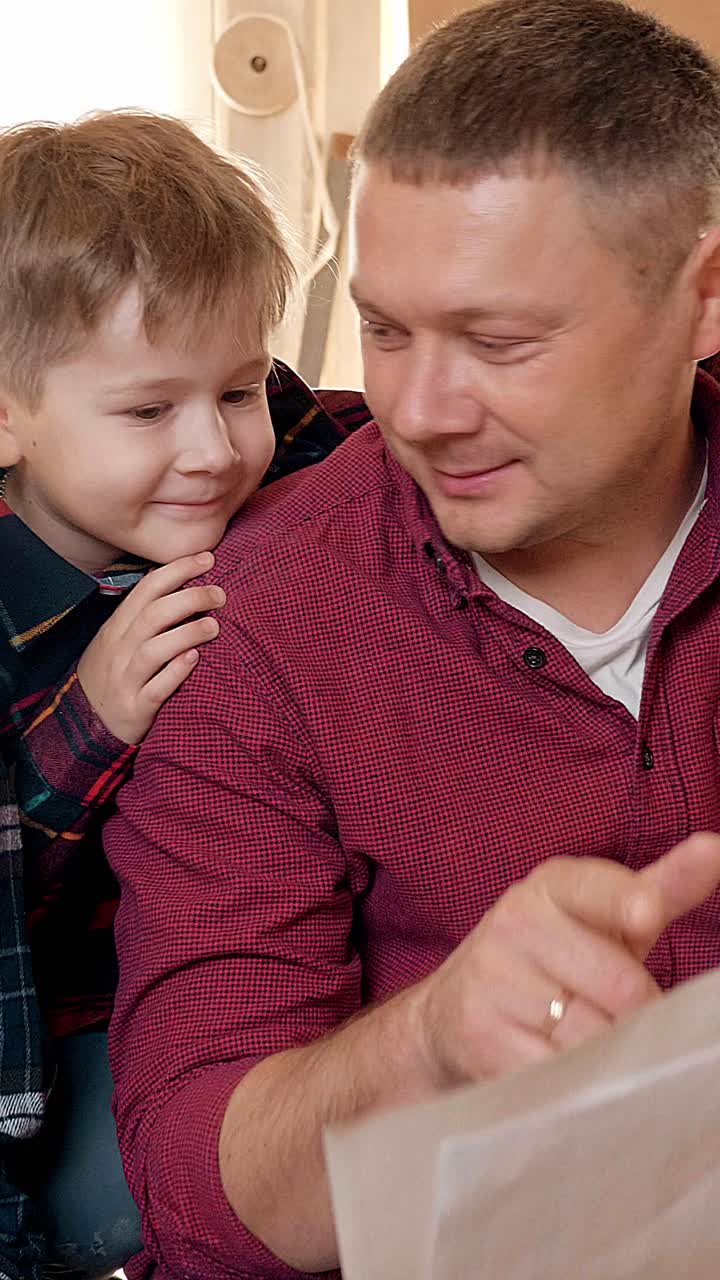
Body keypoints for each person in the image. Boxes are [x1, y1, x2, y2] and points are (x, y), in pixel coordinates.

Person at [106, 3, 720, 1278]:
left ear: (703, 295)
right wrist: (425, 1043)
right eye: (384, 330)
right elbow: (186, 1196)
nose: (422, 411)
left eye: (499, 342)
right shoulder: (254, 619)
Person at [0, 110, 370, 1278]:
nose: (213, 449)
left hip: (285, 952)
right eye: (149, 411)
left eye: (240, 388)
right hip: (71, 1033)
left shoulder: (291, 458)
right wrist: (85, 727)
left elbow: (389, 443)